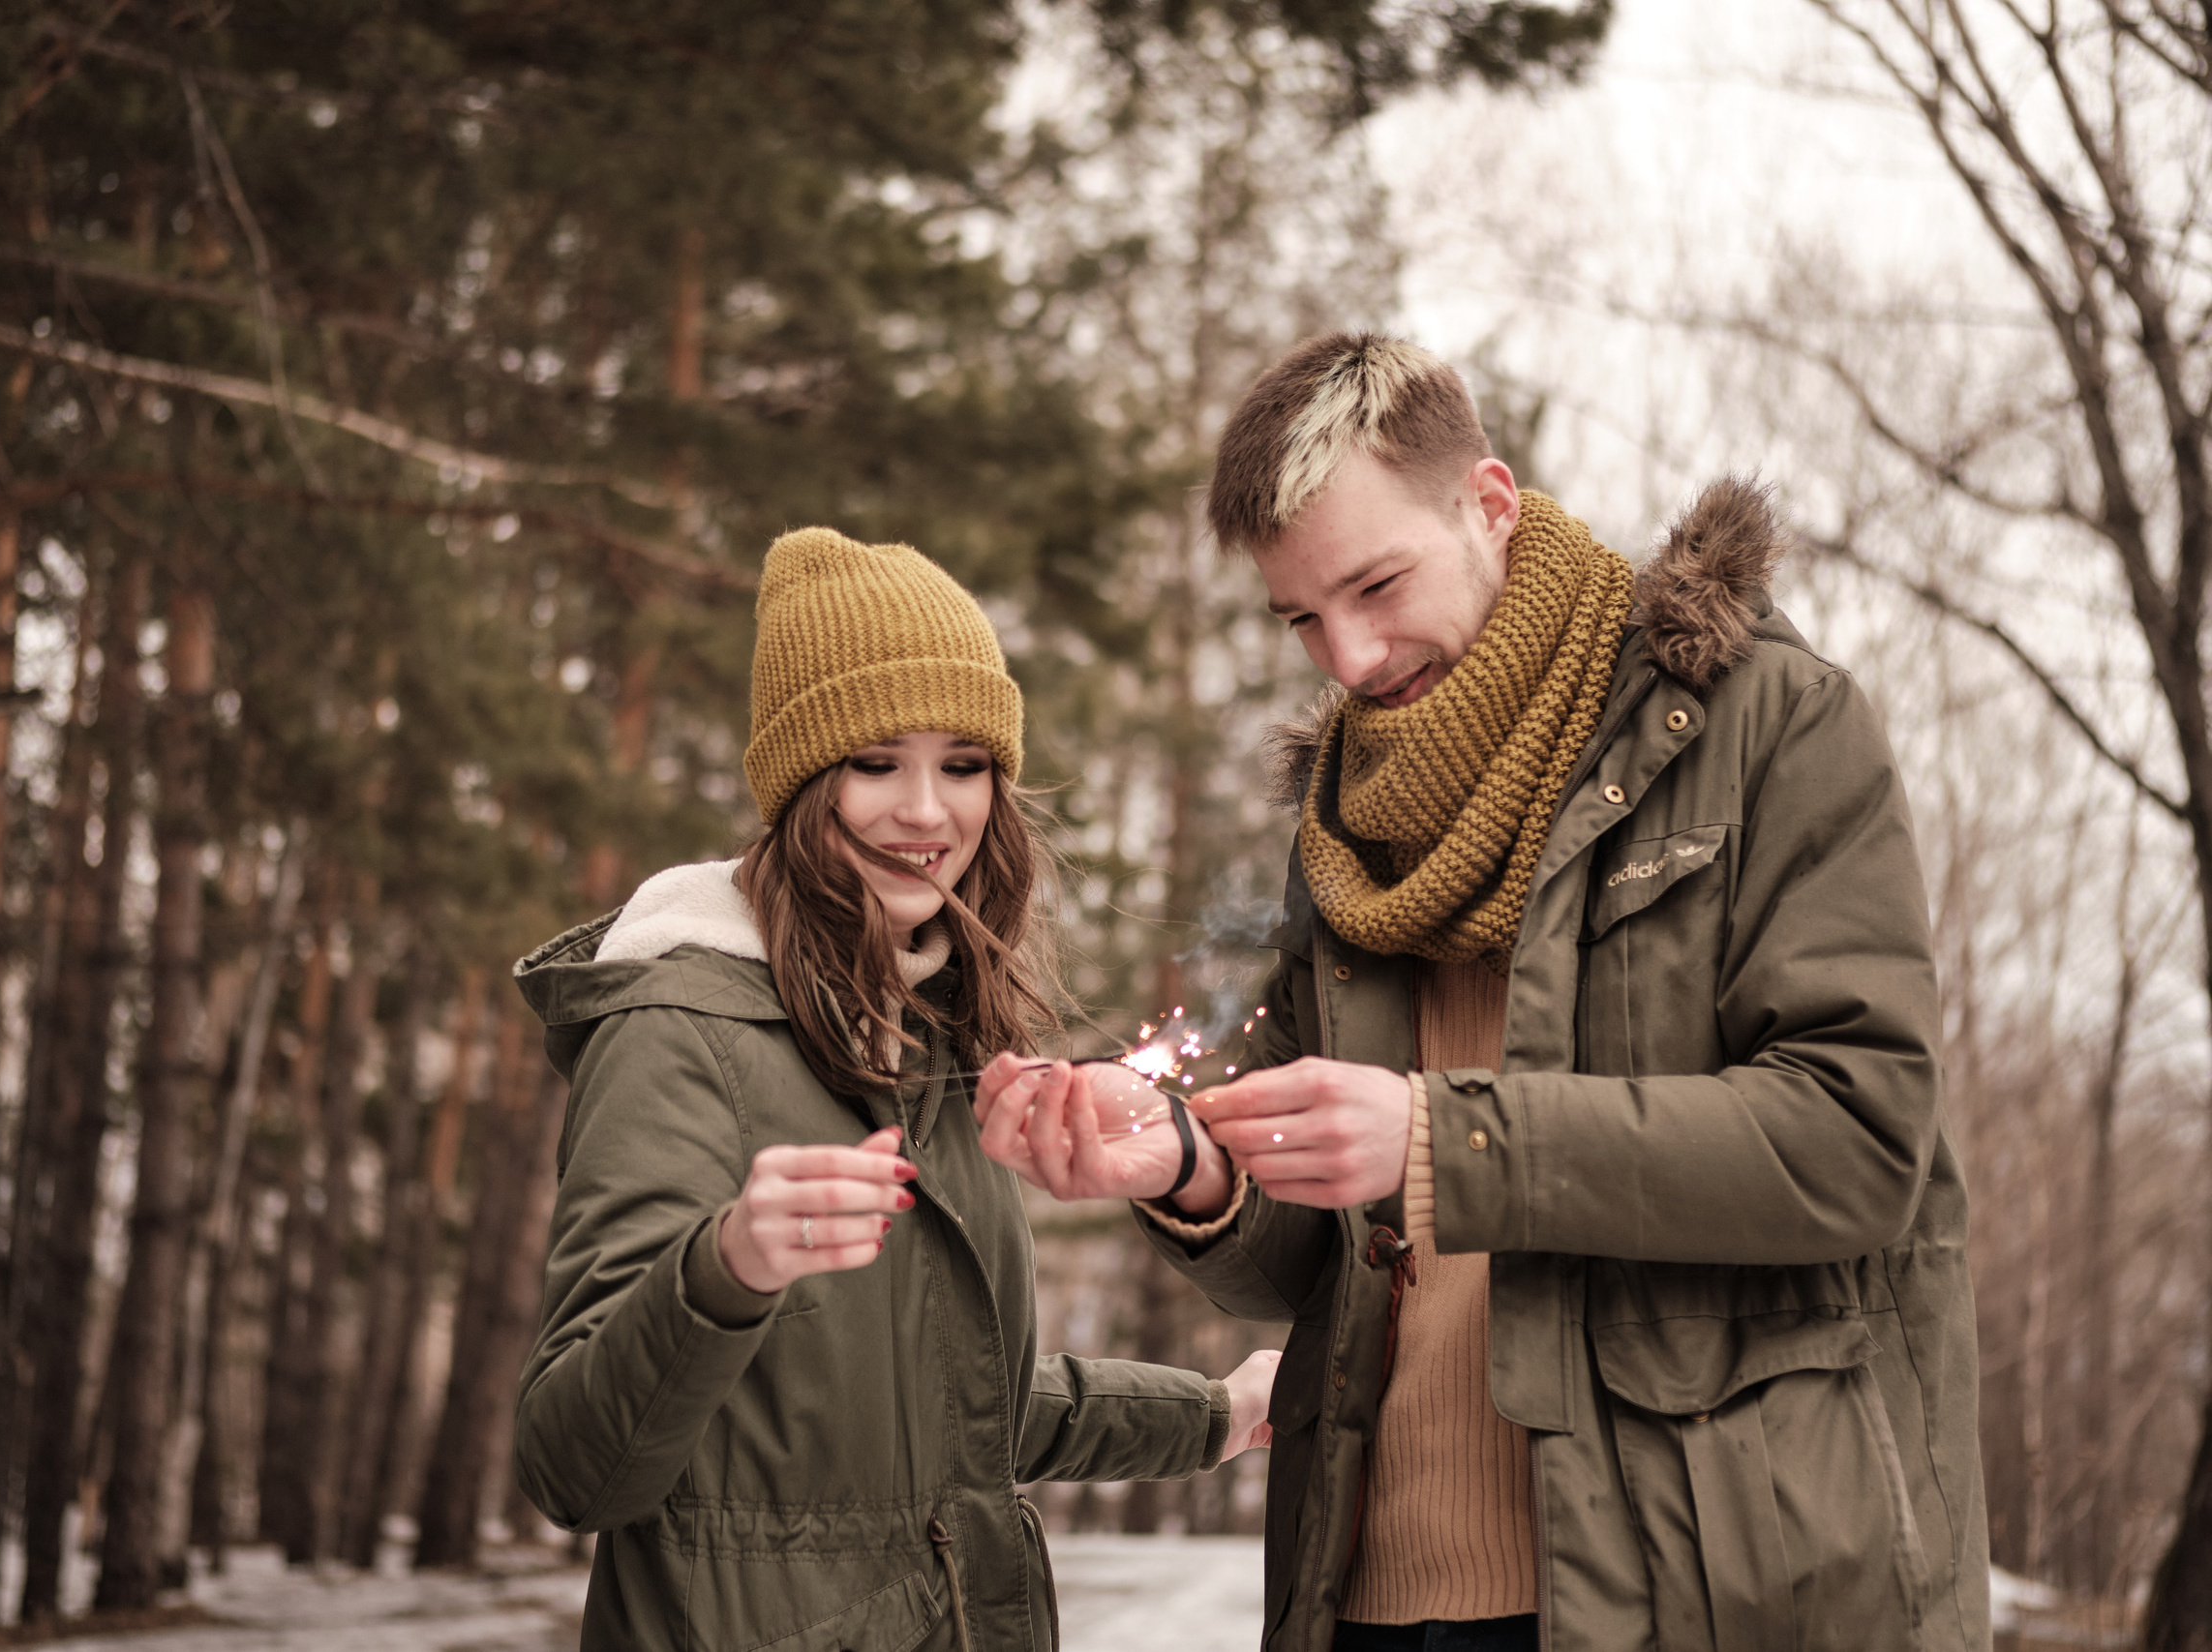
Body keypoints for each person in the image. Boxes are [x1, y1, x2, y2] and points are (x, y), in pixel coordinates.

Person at [974, 334, 1986, 1651]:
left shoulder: (1769, 729)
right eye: (1301, 618)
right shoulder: (1341, 830)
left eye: (1376, 584)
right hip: (1370, 1590)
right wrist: (1187, 1169)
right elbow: (1323, 1259)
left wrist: (1446, 1141)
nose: (1348, 655)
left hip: (1689, 1589)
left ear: (1489, 502)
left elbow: (1857, 1145)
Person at [511, 526, 1281, 1652]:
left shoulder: (934, 1037)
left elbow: (960, 1412)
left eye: (963, 765)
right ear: (799, 779)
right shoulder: (678, 1027)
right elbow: (573, 1468)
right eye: (876, 764)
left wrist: (1218, 1413)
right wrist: (726, 1269)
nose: (927, 813)